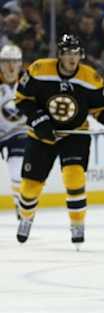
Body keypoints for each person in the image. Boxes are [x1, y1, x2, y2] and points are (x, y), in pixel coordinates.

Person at [15, 34, 104, 246]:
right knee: (30, 187)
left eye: (75, 53)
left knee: (74, 178)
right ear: (59, 55)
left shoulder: (90, 78)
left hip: (75, 134)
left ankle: (77, 224)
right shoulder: (39, 69)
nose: (72, 58)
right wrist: (39, 120)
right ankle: (26, 218)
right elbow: (22, 100)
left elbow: (102, 110)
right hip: (41, 136)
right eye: (67, 53)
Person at [0, 44, 27, 219]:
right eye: (6, 62)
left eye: (14, 62)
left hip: (19, 131)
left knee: (17, 168)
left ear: (20, 63)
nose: (10, 66)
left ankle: (19, 202)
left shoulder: (30, 82)